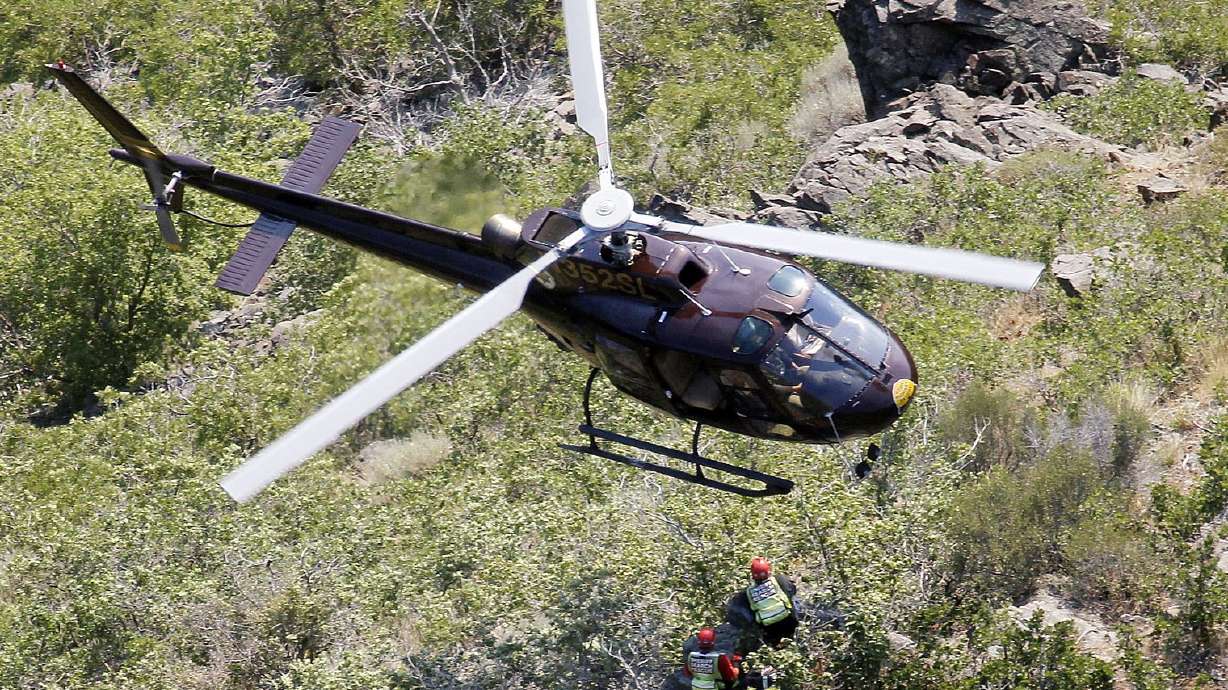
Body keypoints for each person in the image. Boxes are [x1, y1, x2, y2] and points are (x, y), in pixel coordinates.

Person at [743, 557, 798, 646]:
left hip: (768, 628)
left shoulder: (748, 592)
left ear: (752, 575)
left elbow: (752, 609)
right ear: (768, 571)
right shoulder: (779, 579)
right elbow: (793, 590)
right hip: (788, 620)